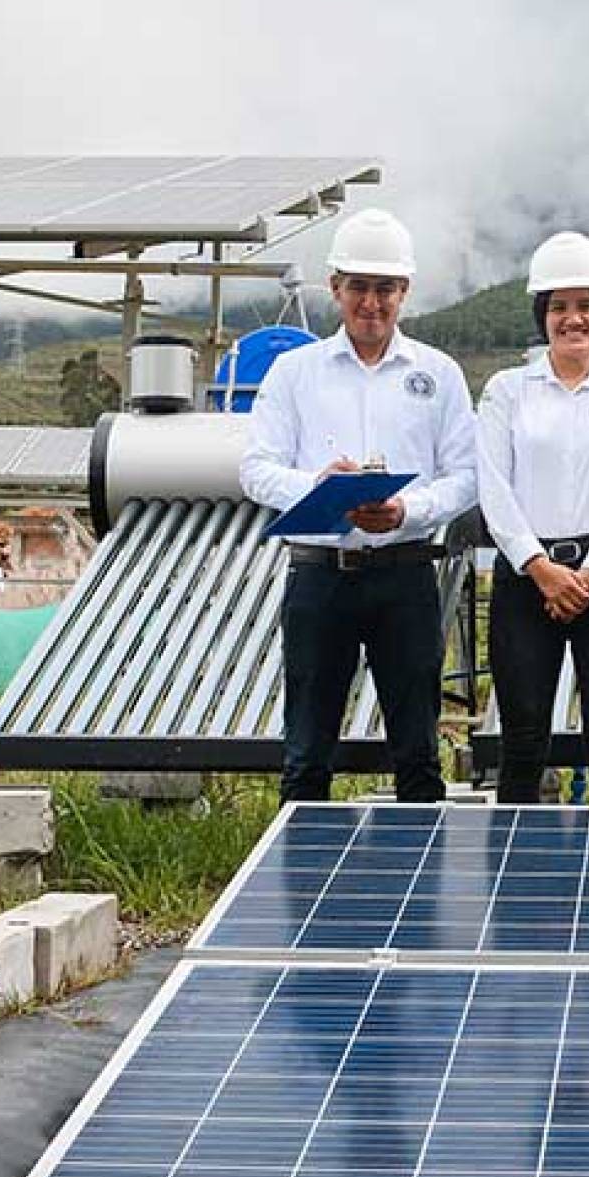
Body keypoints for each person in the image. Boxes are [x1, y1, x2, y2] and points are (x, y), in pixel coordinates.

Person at [240, 207, 476, 803]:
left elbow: (469, 475)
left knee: (419, 756)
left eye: (386, 289)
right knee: (307, 755)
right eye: (361, 288)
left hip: (406, 573)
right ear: (335, 288)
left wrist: (409, 511)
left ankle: (419, 892)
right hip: (320, 579)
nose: (373, 303)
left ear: (405, 292)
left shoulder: (439, 374)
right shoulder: (294, 373)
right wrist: (318, 489)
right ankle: (299, 889)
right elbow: (255, 470)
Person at [477, 231, 589, 805]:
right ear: (541, 316)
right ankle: (515, 877)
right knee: (523, 740)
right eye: (559, 307)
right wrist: (540, 567)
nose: (573, 319)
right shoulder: (507, 392)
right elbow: (493, 486)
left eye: (585, 306)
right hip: (527, 580)